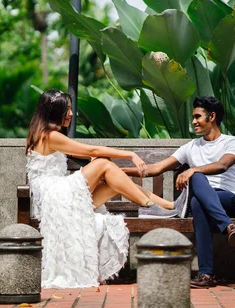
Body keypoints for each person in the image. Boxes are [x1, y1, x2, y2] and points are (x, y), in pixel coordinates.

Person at [25, 89, 175, 289]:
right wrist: (130, 154)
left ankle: (166, 206)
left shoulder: (42, 134)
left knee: (114, 181)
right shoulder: (50, 135)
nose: (71, 114)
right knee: (104, 164)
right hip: (55, 195)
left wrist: (92, 160)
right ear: (54, 111)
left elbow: (85, 155)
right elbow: (92, 150)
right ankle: (153, 205)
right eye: (66, 110)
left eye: (70, 109)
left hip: (57, 196)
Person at [125, 96, 235, 288]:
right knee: (197, 200)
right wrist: (119, 172)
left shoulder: (231, 142)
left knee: (196, 181)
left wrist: (193, 170)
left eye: (198, 116)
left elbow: (223, 165)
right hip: (202, 201)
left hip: (228, 198)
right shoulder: (191, 147)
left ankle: (208, 271)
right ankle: (225, 234)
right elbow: (156, 168)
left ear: (212, 116)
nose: (193, 121)